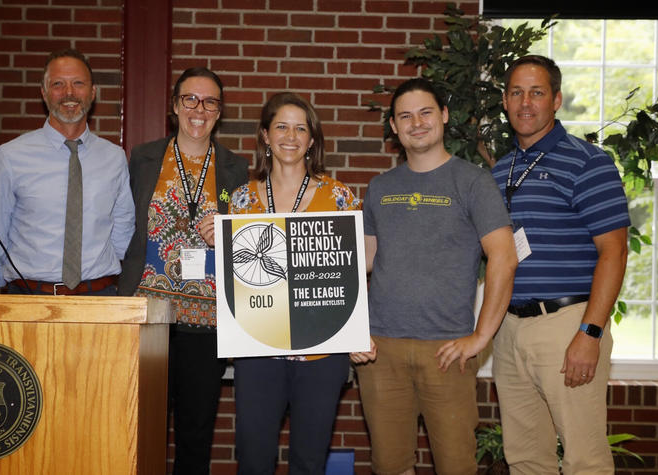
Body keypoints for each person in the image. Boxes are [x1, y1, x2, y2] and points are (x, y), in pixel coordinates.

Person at [350, 78, 517, 475]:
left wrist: (481, 336)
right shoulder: (379, 187)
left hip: (447, 351)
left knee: (457, 466)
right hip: (381, 351)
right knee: (390, 466)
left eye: (426, 112)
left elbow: (504, 257)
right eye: (405, 116)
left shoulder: (473, 182)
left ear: (443, 115)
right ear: (394, 126)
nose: (417, 122)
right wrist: (346, 329)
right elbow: (361, 263)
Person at [491, 55, 630, 474]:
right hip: (510, 329)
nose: (525, 102)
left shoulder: (588, 162)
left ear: (557, 100)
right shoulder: (500, 169)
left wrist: (590, 333)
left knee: (584, 459)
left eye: (536, 92)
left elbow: (615, 251)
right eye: (516, 92)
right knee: (525, 458)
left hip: (567, 324)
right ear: (504, 101)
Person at [117, 67, 248, 474]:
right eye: (190, 99)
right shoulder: (142, 157)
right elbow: (121, 225)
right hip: (147, 317)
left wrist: (225, 235)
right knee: (141, 428)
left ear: (219, 112)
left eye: (210, 102)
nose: (199, 109)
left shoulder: (235, 167)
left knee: (195, 432)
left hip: (206, 320)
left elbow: (245, 243)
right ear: (174, 106)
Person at [228, 92, 361, 474]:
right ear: (265, 136)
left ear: (312, 139)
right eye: (281, 126)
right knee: (253, 459)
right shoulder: (240, 201)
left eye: (301, 128)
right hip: (258, 350)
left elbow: (350, 274)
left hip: (322, 351)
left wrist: (357, 331)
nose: (291, 135)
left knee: (309, 460)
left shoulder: (339, 197)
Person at [0, 48, 134, 296]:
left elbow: (123, 236)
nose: (69, 93)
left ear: (93, 93)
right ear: (44, 93)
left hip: (99, 300)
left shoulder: (114, 158)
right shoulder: (9, 157)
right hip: (29, 299)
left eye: (78, 83)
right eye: (58, 84)